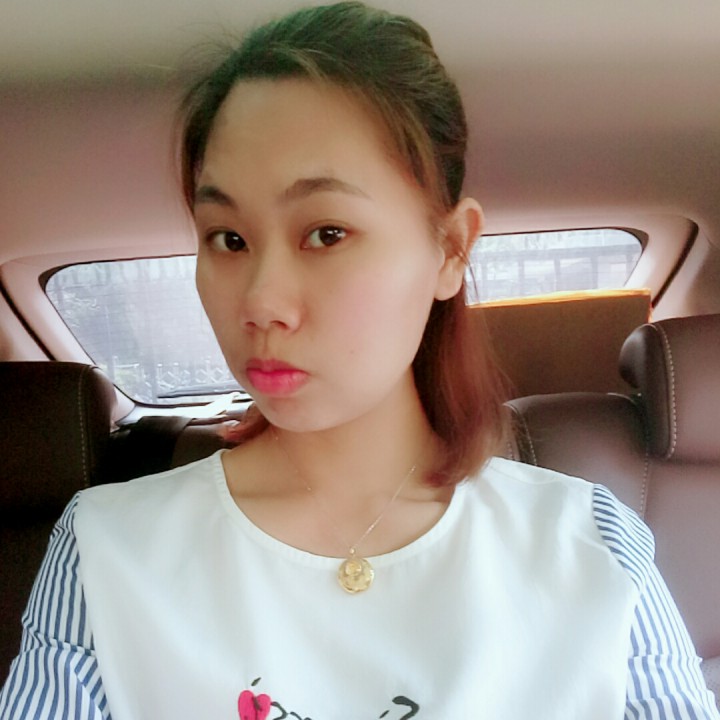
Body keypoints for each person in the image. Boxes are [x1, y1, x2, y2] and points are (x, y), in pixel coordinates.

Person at [1, 2, 718, 718]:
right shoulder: (107, 554)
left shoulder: (589, 544)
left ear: (451, 250)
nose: (261, 302)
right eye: (228, 239)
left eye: (327, 233)